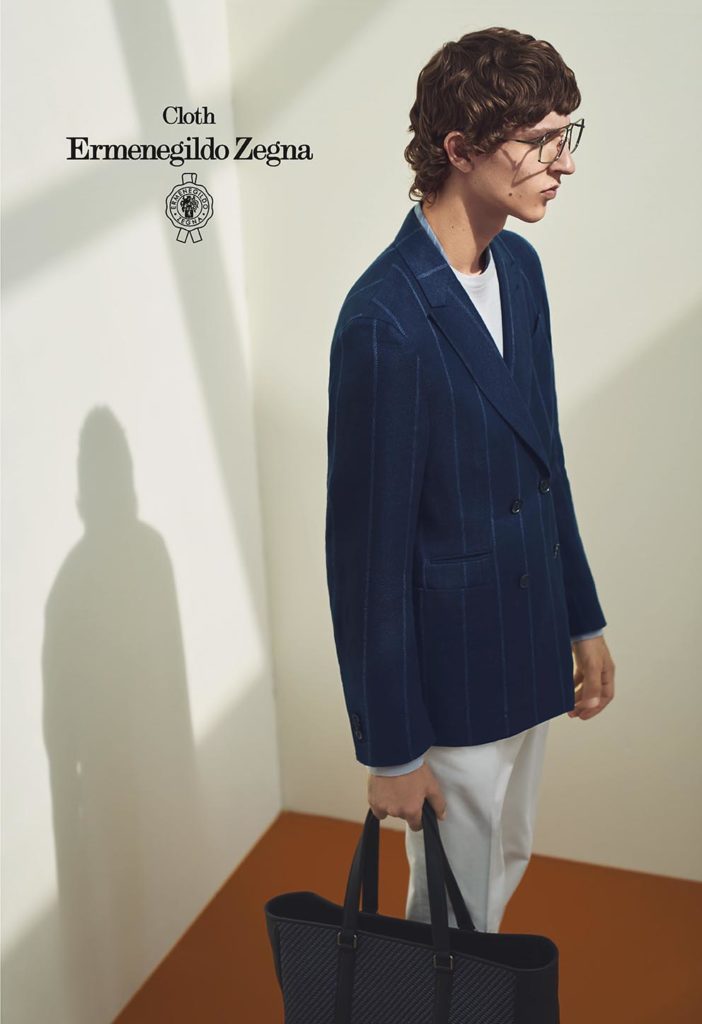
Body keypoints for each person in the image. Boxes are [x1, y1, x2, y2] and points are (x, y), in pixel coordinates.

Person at [324, 26, 616, 933]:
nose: (564, 162)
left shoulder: (519, 269)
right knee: (452, 916)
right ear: (459, 150)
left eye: (567, 134)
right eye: (540, 141)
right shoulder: (384, 320)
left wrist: (583, 619)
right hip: (449, 678)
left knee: (502, 867)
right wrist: (390, 748)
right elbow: (366, 559)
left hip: (530, 644)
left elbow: (545, 460)